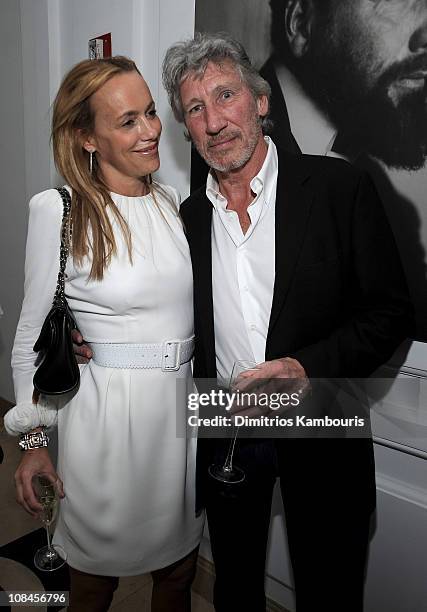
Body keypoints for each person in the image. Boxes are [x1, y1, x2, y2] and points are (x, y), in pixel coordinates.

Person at [161, 33, 413, 611]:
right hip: (227, 428)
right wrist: (92, 340)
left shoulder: (338, 188)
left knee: (330, 590)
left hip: (323, 425)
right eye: (196, 108)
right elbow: (161, 308)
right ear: (186, 127)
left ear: (262, 101)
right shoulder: (188, 221)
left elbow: (390, 310)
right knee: (236, 589)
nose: (215, 120)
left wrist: (307, 366)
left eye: (225, 96)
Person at [4, 56, 204, 612]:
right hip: (108, 422)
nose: (150, 131)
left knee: (179, 569)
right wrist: (32, 443)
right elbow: (29, 336)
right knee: (95, 576)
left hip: (177, 415)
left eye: (149, 113)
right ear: (87, 137)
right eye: (127, 122)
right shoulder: (60, 210)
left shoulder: (170, 203)